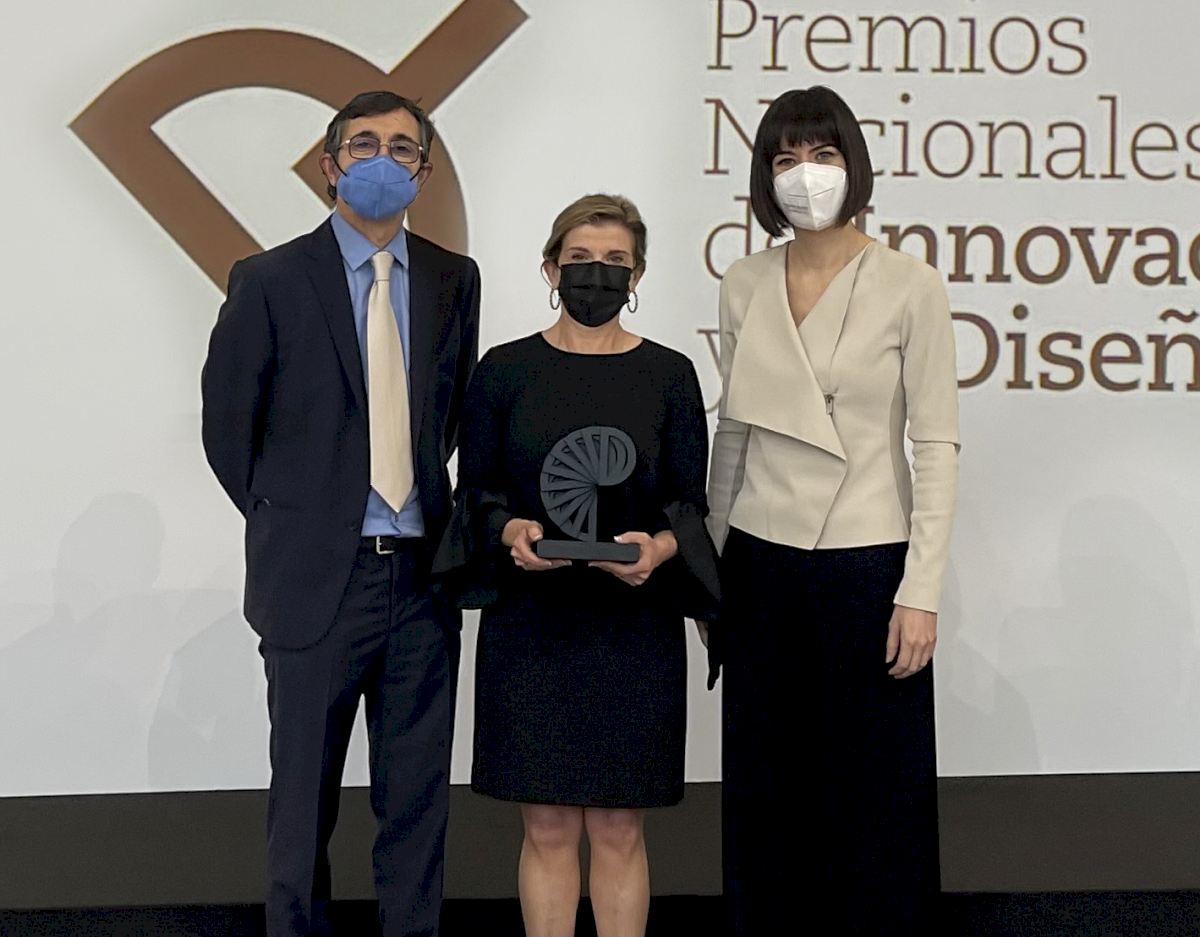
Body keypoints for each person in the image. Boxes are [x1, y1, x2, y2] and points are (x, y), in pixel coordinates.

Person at [201, 90, 480, 937]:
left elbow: (447, 415)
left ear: (422, 173)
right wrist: (301, 519)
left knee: (417, 804)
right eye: (364, 144)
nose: (382, 160)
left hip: (421, 579)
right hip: (316, 581)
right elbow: (229, 430)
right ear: (329, 166)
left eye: (402, 147)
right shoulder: (269, 279)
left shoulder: (453, 279)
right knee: (301, 805)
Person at [706, 86, 960, 936]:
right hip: (760, 560)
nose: (804, 174)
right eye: (785, 159)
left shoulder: (911, 284)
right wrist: (711, 571)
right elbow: (734, 434)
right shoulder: (744, 282)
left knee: (875, 794)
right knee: (765, 790)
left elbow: (936, 443)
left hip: (868, 562)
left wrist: (921, 589)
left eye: (821, 155)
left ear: (853, 165)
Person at [437, 194, 719, 937]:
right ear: (550, 268)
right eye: (581, 260)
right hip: (534, 627)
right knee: (548, 825)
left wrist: (657, 549)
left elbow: (689, 504)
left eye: (615, 262)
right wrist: (511, 531)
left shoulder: (670, 374)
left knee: (622, 827)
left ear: (638, 275)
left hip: (634, 628)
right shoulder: (503, 371)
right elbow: (477, 493)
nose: (598, 274)